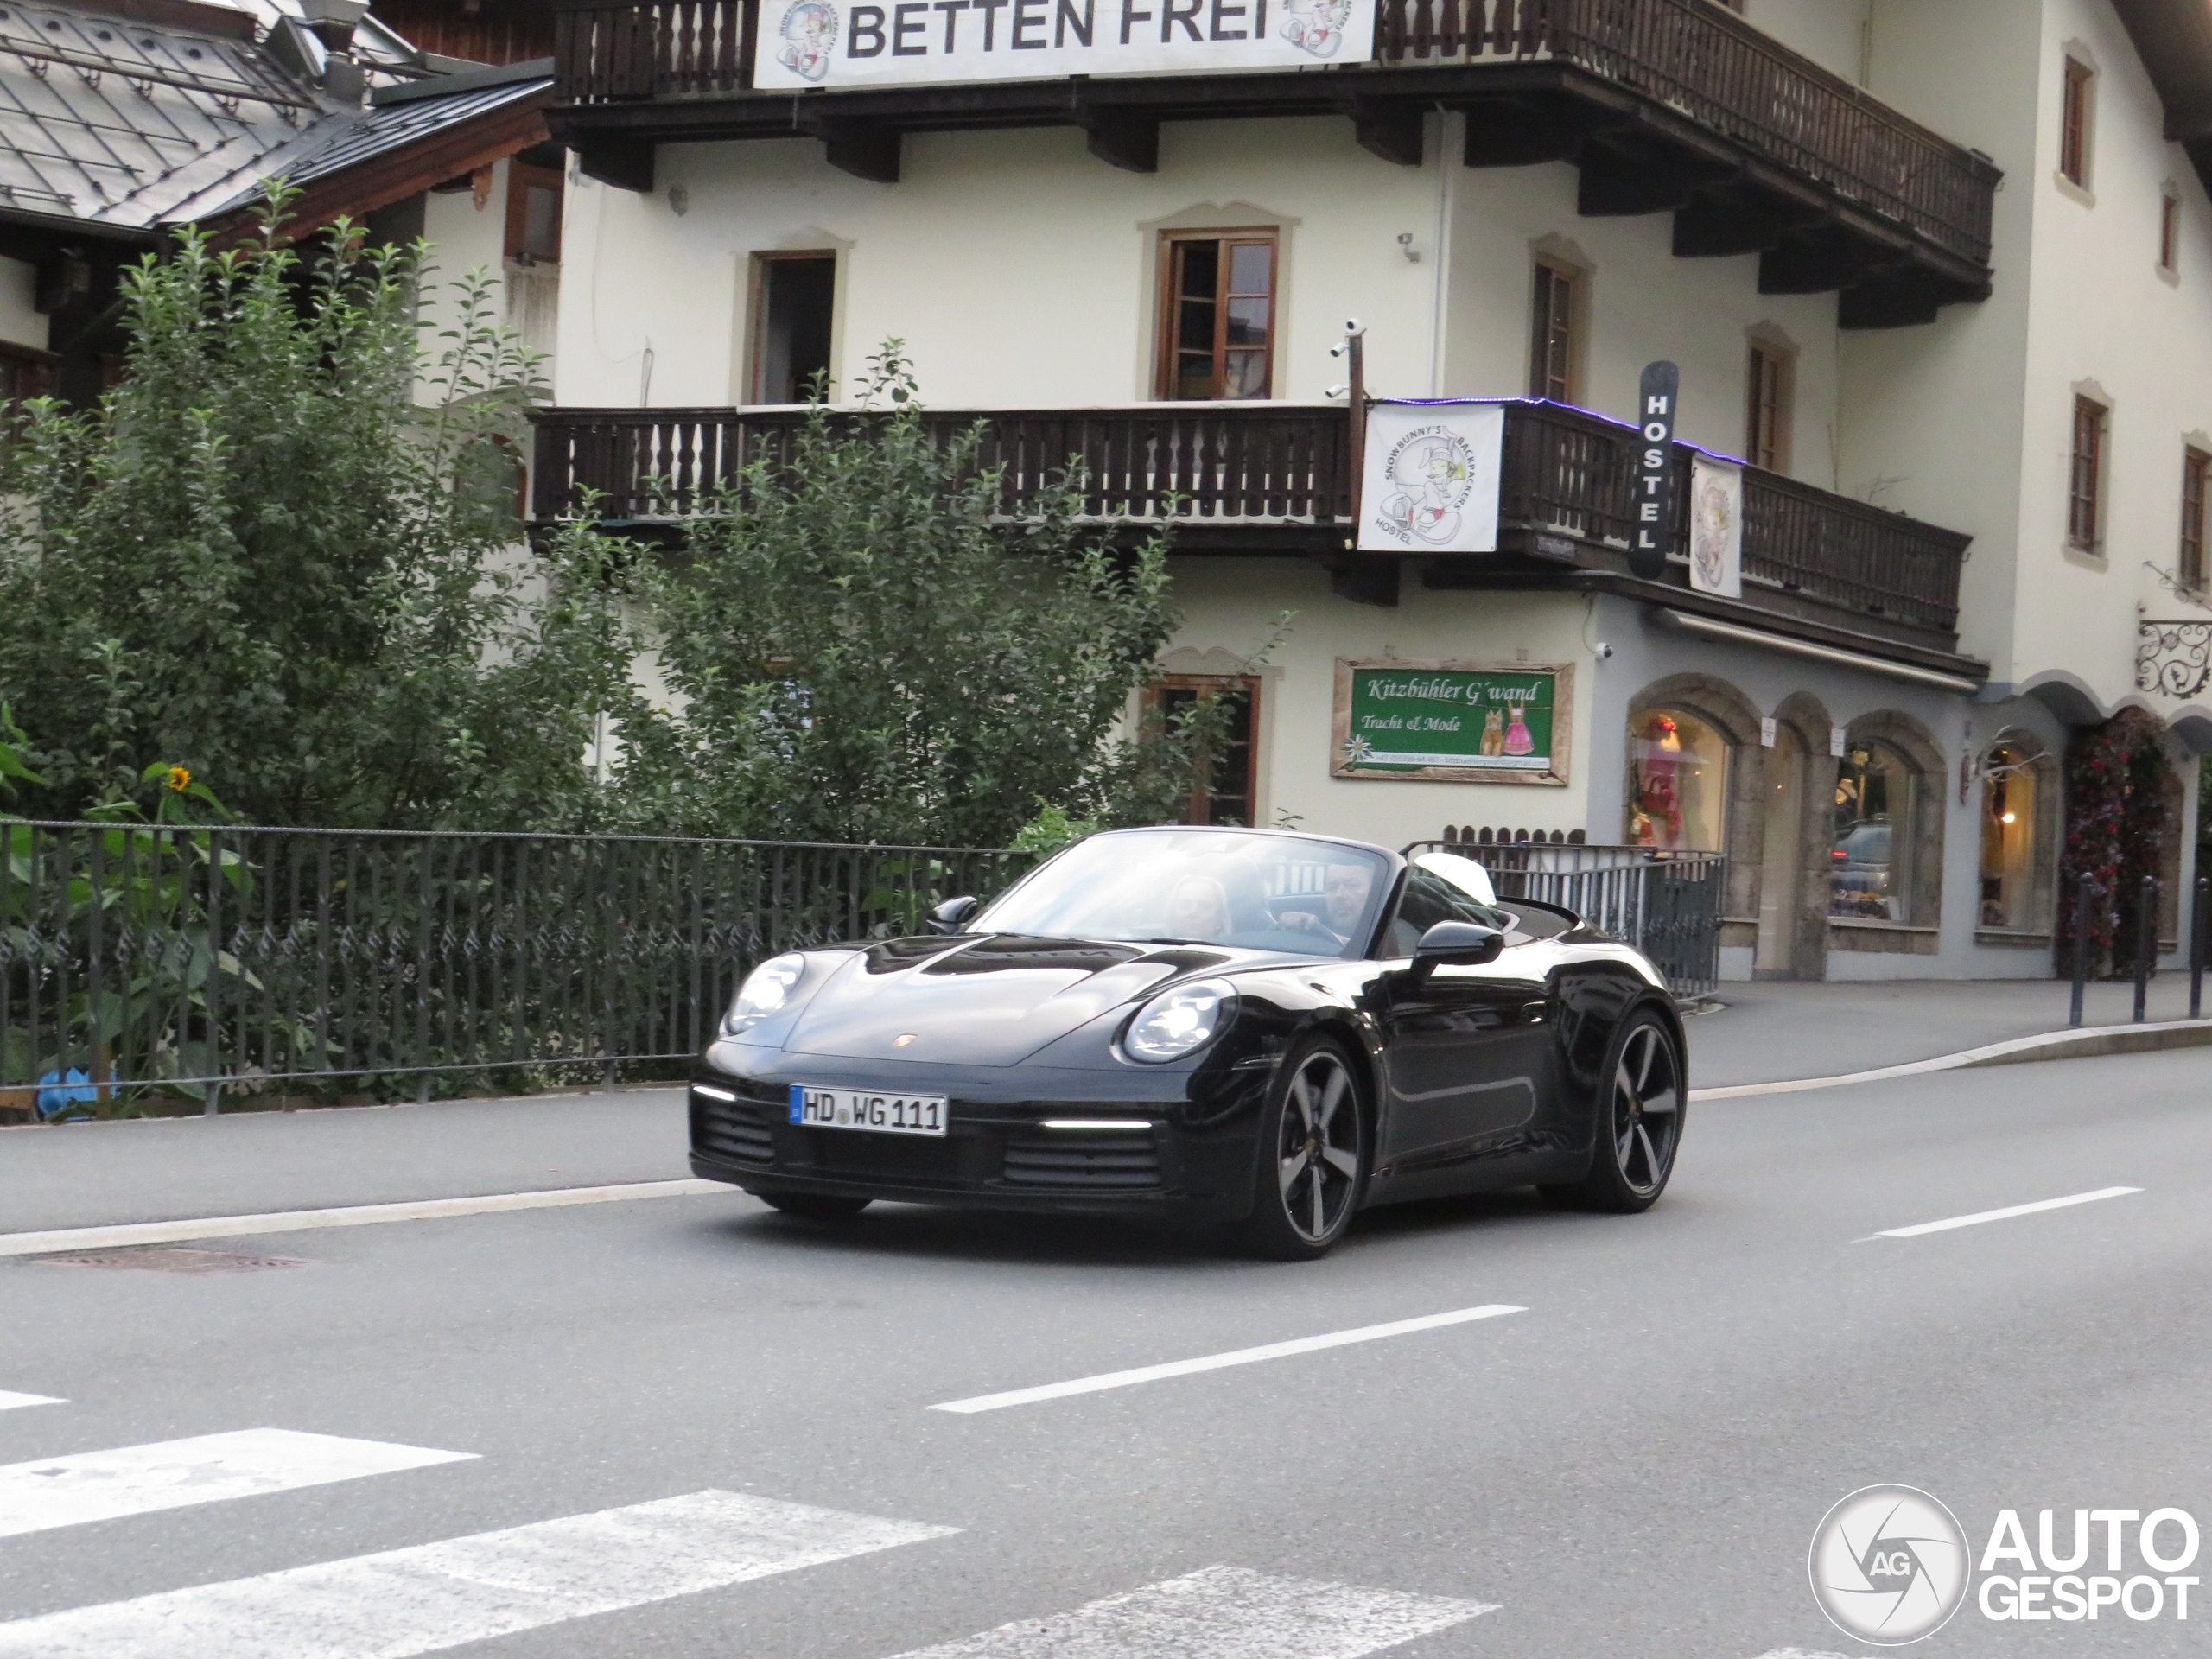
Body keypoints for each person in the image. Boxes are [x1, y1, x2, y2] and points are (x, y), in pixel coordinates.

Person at [1281, 861, 1374, 946]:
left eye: (1352, 885)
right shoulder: (1311, 924)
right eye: (1333, 887)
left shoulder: (1385, 937)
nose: (1339, 895)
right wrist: (1292, 928)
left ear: (1375, 891)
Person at [1162, 874, 1232, 942]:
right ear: (1172, 915)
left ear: (1219, 918)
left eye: (1204, 907)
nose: (1193, 912)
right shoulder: (1153, 948)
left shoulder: (1235, 951)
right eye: (1185, 906)